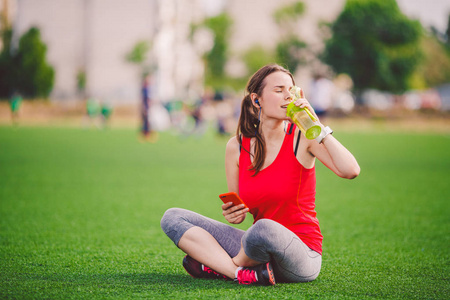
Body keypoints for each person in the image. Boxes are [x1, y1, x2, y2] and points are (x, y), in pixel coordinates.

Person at [160, 64, 360, 285]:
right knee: (173, 217)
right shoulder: (236, 147)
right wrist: (233, 214)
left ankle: (222, 265)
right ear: (257, 100)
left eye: (291, 90)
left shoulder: (303, 138)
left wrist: (317, 125)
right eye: (279, 90)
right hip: (255, 247)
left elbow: (350, 170)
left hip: (301, 254)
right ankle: (239, 273)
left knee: (263, 228)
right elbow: (239, 210)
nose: (288, 96)